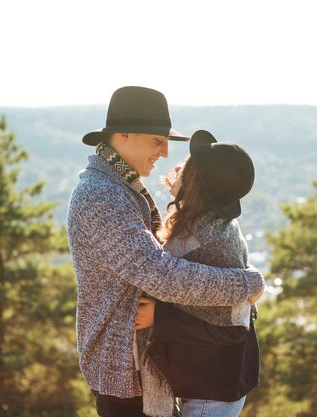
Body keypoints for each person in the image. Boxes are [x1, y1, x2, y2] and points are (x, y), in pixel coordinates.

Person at [66, 86, 265, 417]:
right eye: (157, 141)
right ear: (124, 135)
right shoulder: (101, 197)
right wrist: (248, 285)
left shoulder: (122, 186)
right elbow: (160, 275)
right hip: (122, 372)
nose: (165, 153)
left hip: (141, 371)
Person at [137, 130, 260, 417]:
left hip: (213, 390)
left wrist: (160, 316)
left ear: (198, 184)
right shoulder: (203, 224)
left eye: (189, 165)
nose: (178, 166)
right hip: (208, 381)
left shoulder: (210, 240)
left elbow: (231, 326)